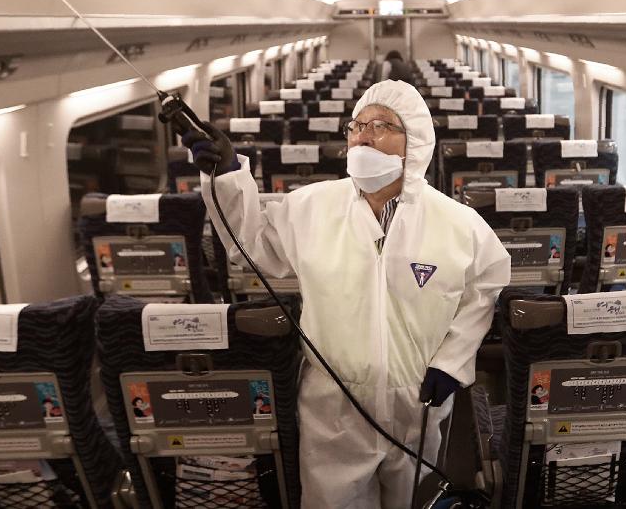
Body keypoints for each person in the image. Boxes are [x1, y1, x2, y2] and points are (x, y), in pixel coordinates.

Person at [187, 80, 511, 509]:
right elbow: (250, 244)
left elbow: (486, 285)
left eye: (382, 125)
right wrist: (227, 176)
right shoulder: (310, 207)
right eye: (356, 125)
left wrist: (453, 361)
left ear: (414, 141)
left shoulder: (458, 223)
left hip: (418, 402)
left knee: (414, 501)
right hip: (333, 408)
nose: (363, 134)